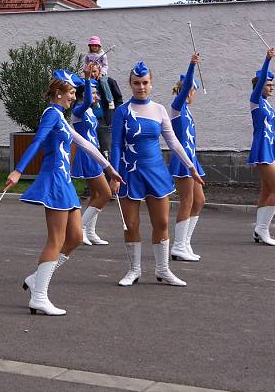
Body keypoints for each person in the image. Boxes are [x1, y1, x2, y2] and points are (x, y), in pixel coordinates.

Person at [6, 70, 123, 316]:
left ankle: (37, 278)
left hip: (64, 181)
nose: (73, 97)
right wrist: (18, 170)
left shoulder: (60, 117)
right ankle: (38, 297)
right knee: (56, 239)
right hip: (54, 181)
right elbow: (37, 142)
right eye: (70, 92)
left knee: (76, 237)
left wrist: (110, 169)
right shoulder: (51, 114)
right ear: (58, 93)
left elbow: (85, 144)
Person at [111, 61, 204, 287]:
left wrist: (190, 167)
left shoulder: (160, 109)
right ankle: (134, 270)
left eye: (144, 83)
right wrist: (113, 174)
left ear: (151, 84)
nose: (140, 87)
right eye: (136, 83)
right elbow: (115, 145)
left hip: (156, 172)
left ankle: (163, 270)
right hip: (129, 172)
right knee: (131, 224)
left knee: (161, 222)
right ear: (130, 85)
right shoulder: (122, 111)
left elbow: (173, 142)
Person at [168, 54, 206, 262]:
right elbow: (186, 86)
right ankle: (178, 246)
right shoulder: (176, 108)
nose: (193, 95)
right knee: (187, 201)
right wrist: (191, 65)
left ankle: (185, 243)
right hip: (182, 160)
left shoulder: (187, 111)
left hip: (192, 159)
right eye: (192, 90)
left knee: (199, 200)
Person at [71, 64, 113, 245]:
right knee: (105, 193)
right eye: (95, 93)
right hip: (87, 157)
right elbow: (88, 100)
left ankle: (90, 232)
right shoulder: (78, 110)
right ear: (84, 94)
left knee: (96, 194)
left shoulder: (89, 110)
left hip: (94, 155)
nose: (97, 96)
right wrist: (88, 80)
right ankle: (79, 229)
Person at [249, 49, 275, 245]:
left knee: (266, 190)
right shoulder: (255, 101)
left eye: (272, 84)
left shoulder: (267, 104)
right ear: (260, 86)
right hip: (262, 148)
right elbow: (262, 77)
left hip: (270, 148)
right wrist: (267, 59)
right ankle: (262, 230)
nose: (271, 87)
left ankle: (259, 230)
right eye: (268, 84)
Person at [84, 36, 114, 110]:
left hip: (100, 73)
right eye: (92, 45)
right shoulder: (88, 55)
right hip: (91, 74)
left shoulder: (103, 55)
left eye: (96, 45)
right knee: (91, 85)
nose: (94, 47)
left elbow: (105, 66)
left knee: (103, 82)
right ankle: (95, 101)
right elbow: (85, 64)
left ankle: (110, 100)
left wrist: (101, 73)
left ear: (99, 46)